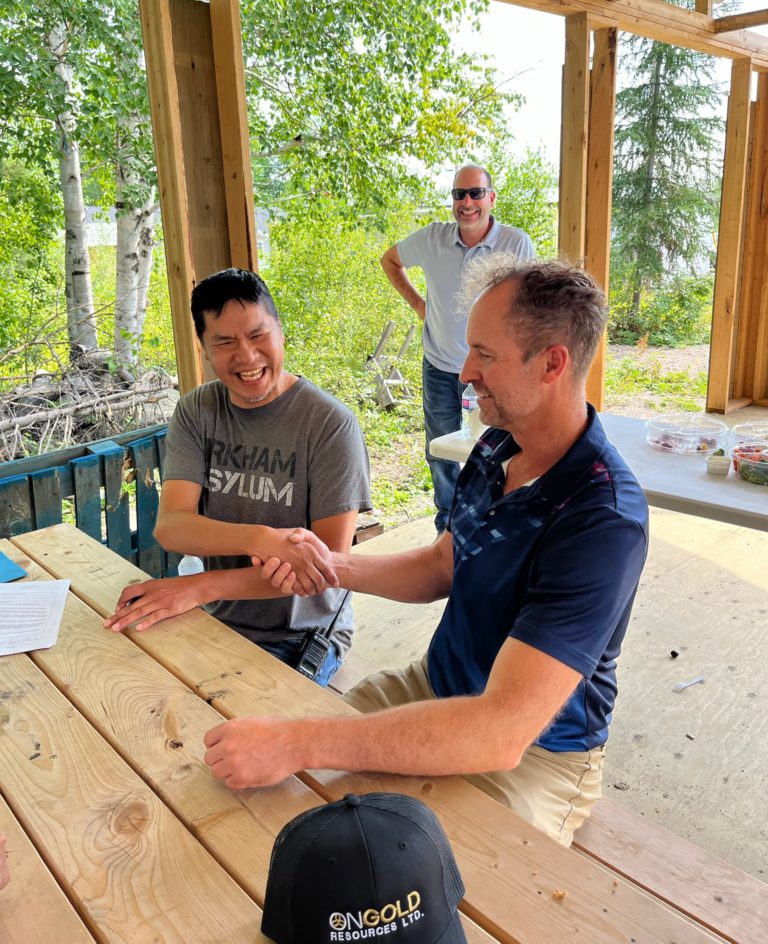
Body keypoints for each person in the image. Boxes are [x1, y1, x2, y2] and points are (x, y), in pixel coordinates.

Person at [201, 258, 649, 846]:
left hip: (536, 753)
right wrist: (328, 565)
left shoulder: (602, 519)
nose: (465, 372)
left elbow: (500, 732)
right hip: (432, 686)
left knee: (426, 875)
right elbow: (443, 566)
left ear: (552, 364)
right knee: (276, 813)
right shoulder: (497, 446)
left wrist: (298, 742)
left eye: (484, 355)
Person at [105, 268, 371, 686]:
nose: (246, 357)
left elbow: (328, 567)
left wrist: (200, 588)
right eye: (225, 342)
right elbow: (172, 526)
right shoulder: (197, 411)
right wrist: (261, 539)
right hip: (217, 616)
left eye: (258, 335)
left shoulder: (329, 424)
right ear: (204, 350)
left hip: (299, 634)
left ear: (281, 332)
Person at [379, 165, 534, 533]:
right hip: (439, 366)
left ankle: (493, 522)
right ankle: (447, 528)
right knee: (440, 452)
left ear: (491, 198)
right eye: (458, 194)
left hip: (492, 372)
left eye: (475, 193)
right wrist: (419, 305)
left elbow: (530, 303)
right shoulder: (432, 239)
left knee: (499, 448)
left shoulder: (515, 244)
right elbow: (390, 260)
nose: (467, 202)